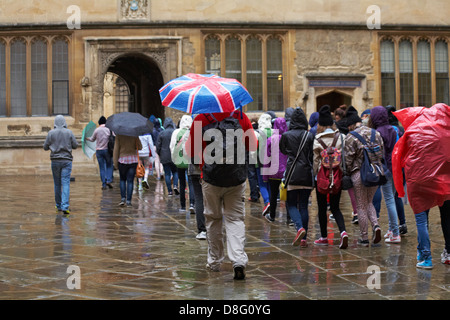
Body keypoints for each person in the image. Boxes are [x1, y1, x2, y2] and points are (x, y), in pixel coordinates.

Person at [186, 110, 257, 280]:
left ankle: (214, 261)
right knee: (235, 219)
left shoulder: (201, 118)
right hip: (236, 177)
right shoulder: (240, 116)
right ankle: (238, 260)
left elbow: (192, 151)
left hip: (211, 179)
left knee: (213, 219)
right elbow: (253, 145)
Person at [392, 103, 450, 269]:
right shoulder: (447, 130)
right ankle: (448, 253)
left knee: (421, 219)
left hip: (419, 181)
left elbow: (400, 155)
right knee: (447, 216)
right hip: (445, 181)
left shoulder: (414, 130)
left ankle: (426, 257)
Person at [344, 106, 382, 247]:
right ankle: (376, 225)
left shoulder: (351, 136)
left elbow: (347, 159)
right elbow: (381, 153)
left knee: (360, 205)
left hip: (358, 173)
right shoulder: (375, 133)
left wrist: (347, 172)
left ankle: (364, 237)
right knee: (369, 202)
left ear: (352, 125)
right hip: (375, 173)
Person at [312, 105, 348, 249]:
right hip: (337, 176)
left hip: (322, 178)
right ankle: (343, 231)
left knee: (321, 208)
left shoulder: (317, 140)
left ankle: (324, 237)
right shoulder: (341, 137)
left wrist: (316, 174)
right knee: (335, 207)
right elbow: (345, 158)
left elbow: (315, 162)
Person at [280, 107, 315, 248]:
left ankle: (299, 228)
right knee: (304, 205)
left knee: (291, 203)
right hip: (306, 173)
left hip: (292, 173)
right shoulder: (309, 136)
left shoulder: (286, 135)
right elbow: (312, 155)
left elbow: (283, 150)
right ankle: (304, 239)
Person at [369, 106, 401, 244]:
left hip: (385, 169)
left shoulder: (377, 132)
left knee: (389, 201)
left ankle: (395, 232)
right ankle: (391, 228)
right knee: (391, 198)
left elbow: (378, 153)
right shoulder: (391, 129)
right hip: (394, 167)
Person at [43, 115, 78, 215]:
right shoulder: (69, 132)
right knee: (66, 183)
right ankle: (65, 206)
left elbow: (45, 147)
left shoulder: (51, 133)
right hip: (67, 160)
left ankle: (58, 205)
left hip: (55, 161)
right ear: (64, 122)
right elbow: (75, 145)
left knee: (57, 183)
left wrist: (52, 146)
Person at [261, 117, 288, 223]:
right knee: (288, 196)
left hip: (273, 171)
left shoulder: (271, 139)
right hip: (286, 171)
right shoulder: (288, 138)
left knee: (273, 194)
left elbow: (266, 158)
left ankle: (272, 215)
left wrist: (265, 176)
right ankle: (289, 218)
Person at [170, 115, 195, 211]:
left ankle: (183, 206)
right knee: (192, 183)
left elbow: (172, 147)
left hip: (179, 160)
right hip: (190, 160)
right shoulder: (193, 132)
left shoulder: (176, 132)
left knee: (182, 183)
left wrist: (174, 159)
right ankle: (192, 204)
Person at [113, 134, 142, 207]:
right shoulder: (134, 135)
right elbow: (140, 147)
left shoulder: (119, 135)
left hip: (122, 160)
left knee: (122, 180)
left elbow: (116, 150)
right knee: (130, 181)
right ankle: (128, 201)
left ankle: (123, 199)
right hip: (133, 160)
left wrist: (115, 163)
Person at [86, 116, 114, 190]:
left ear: (99, 123)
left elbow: (92, 139)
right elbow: (114, 137)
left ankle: (103, 184)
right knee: (109, 165)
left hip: (99, 151)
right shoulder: (109, 129)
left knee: (102, 167)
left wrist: (87, 138)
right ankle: (108, 180)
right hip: (107, 150)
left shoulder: (97, 130)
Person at [156, 117, 179, 196]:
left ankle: (169, 191)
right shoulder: (175, 132)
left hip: (165, 156)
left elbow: (158, 146)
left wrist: (160, 154)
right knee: (175, 172)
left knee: (167, 174)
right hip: (174, 156)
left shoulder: (162, 133)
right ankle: (175, 185)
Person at [255, 113, 273, 216]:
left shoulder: (257, 133)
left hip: (260, 161)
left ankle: (267, 202)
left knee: (262, 183)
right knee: (270, 183)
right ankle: (271, 201)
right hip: (272, 162)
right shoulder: (275, 132)